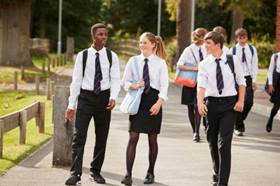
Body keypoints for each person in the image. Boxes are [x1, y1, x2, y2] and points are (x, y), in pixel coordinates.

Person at [64, 23, 121, 185]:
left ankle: (95, 172)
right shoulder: (82, 56)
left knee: (101, 137)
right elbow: (76, 81)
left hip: (104, 99)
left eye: (106, 34)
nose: (104, 37)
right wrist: (71, 105)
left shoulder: (112, 56)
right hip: (85, 98)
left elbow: (115, 79)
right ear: (93, 36)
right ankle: (75, 174)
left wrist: (113, 97)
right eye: (101, 34)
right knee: (79, 137)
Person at [197, 31, 246, 186]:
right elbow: (201, 86)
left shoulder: (233, 60)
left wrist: (241, 101)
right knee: (212, 140)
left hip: (229, 105)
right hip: (211, 104)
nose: (205, 46)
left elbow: (241, 82)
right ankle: (217, 172)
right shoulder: (204, 64)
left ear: (217, 44)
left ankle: (222, 183)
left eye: (208, 43)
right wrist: (200, 103)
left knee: (224, 144)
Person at [121, 32, 169, 186]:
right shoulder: (133, 60)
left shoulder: (160, 63)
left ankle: (150, 172)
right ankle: (128, 174)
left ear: (153, 44)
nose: (142, 45)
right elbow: (125, 82)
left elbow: (164, 86)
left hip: (154, 101)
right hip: (138, 101)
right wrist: (134, 85)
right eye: (140, 42)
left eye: (145, 43)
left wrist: (159, 103)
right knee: (133, 136)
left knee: (152, 138)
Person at [176, 27, 207, 142]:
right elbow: (179, 65)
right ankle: (195, 130)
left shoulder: (207, 49)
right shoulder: (189, 49)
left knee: (197, 106)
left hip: (203, 82)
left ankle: (197, 132)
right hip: (190, 82)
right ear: (203, 37)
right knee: (190, 107)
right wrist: (194, 68)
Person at [229, 28, 258, 136]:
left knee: (249, 102)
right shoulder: (232, 50)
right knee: (238, 101)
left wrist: (254, 80)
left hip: (248, 78)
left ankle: (238, 120)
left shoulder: (252, 49)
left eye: (244, 37)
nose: (242, 40)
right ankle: (239, 127)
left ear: (247, 37)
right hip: (237, 79)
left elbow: (254, 65)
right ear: (236, 38)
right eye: (240, 38)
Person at [266, 52, 280, 132]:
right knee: (276, 107)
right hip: (278, 84)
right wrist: (270, 84)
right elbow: (270, 70)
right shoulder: (275, 56)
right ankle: (271, 119)